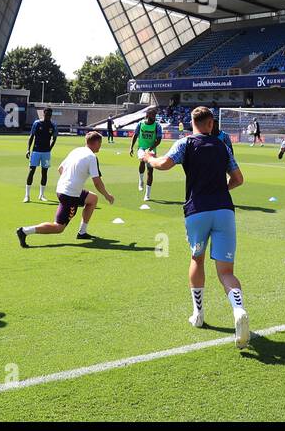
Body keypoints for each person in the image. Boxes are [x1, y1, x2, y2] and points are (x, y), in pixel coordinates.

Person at [141, 106, 250, 348]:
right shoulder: (222, 145)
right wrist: (220, 190)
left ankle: (198, 314)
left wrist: (147, 157)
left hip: (197, 211)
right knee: (226, 272)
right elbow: (239, 179)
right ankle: (238, 310)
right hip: (224, 210)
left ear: (192, 123)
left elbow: (163, 165)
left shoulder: (185, 144)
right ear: (211, 124)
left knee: (196, 259)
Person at [16, 131, 114, 246]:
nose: (100, 146)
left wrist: (70, 181)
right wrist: (107, 195)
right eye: (100, 143)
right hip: (69, 194)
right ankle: (25, 231)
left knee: (92, 199)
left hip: (63, 188)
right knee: (59, 227)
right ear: (96, 142)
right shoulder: (92, 157)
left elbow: (60, 168)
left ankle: (82, 232)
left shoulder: (76, 150)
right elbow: (97, 182)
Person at [128, 107, 164, 201]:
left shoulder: (157, 126)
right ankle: (141, 180)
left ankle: (147, 195)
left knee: (150, 171)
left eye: (155, 115)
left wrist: (151, 148)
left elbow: (159, 140)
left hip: (151, 149)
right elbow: (135, 135)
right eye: (152, 115)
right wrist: (131, 147)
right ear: (147, 115)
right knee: (142, 160)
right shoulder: (140, 124)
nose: (154, 117)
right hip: (142, 148)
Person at [24, 108, 58, 203]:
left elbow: (54, 139)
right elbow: (31, 137)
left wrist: (49, 149)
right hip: (36, 151)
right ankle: (27, 195)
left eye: (50, 115)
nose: (48, 116)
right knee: (31, 171)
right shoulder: (37, 123)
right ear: (43, 114)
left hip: (46, 153)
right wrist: (28, 150)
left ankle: (41, 195)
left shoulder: (53, 125)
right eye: (47, 114)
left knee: (44, 172)